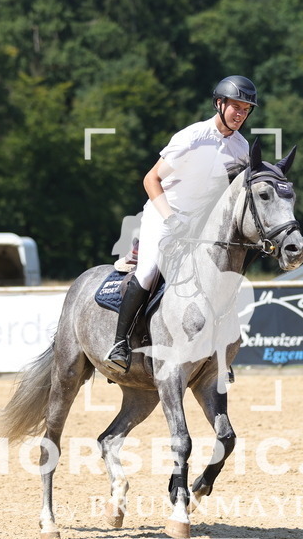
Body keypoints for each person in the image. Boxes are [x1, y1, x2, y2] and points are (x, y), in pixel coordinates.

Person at [105, 75, 258, 372]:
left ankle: (217, 350)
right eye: (235, 107)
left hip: (201, 223)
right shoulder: (192, 137)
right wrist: (171, 218)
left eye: (245, 110)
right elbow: (151, 179)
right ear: (219, 103)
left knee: (220, 276)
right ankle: (120, 342)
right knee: (149, 272)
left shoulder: (241, 148)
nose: (240, 114)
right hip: (164, 213)